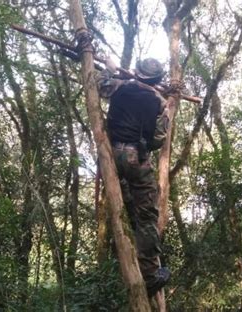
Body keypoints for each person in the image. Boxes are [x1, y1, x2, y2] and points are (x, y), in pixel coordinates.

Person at [97, 57, 171, 297]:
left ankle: (132, 253)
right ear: (158, 79)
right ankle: (150, 275)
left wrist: (108, 68)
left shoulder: (120, 85)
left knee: (130, 201)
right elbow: (159, 140)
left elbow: (101, 84)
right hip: (136, 158)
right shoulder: (160, 102)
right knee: (147, 214)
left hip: (110, 152)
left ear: (137, 73)